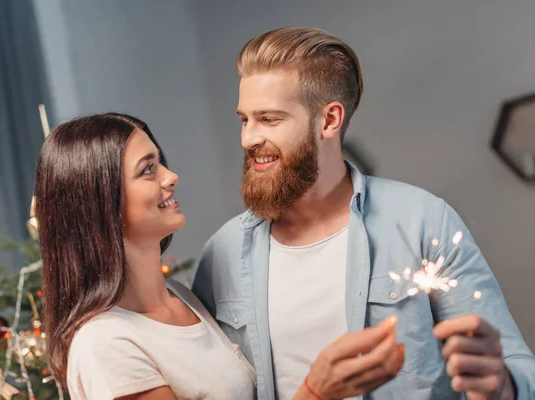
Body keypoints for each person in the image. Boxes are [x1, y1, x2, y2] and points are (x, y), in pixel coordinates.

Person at [192, 26, 535, 400]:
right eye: (244, 119)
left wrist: (501, 384)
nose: (248, 138)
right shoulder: (221, 253)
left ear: (329, 120)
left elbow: (517, 367)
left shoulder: (422, 221)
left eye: (269, 119)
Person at [34, 113, 256, 400]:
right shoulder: (105, 344)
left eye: (160, 162)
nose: (171, 176)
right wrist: (313, 391)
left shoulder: (180, 297)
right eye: (148, 169)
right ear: (101, 203)